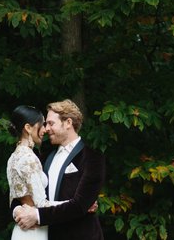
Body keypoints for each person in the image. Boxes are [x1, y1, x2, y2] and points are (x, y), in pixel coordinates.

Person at [13, 99, 105, 240]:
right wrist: (17, 210)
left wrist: (37, 216)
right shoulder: (43, 157)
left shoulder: (92, 158)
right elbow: (21, 191)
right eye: (45, 124)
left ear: (68, 123)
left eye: (51, 123)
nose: (46, 128)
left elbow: (79, 206)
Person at [6, 105, 51, 239]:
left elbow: (14, 199)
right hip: (34, 231)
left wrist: (16, 210)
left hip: (23, 230)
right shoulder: (29, 158)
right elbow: (42, 204)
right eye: (41, 125)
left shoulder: (13, 157)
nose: (44, 130)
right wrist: (76, 204)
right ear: (28, 128)